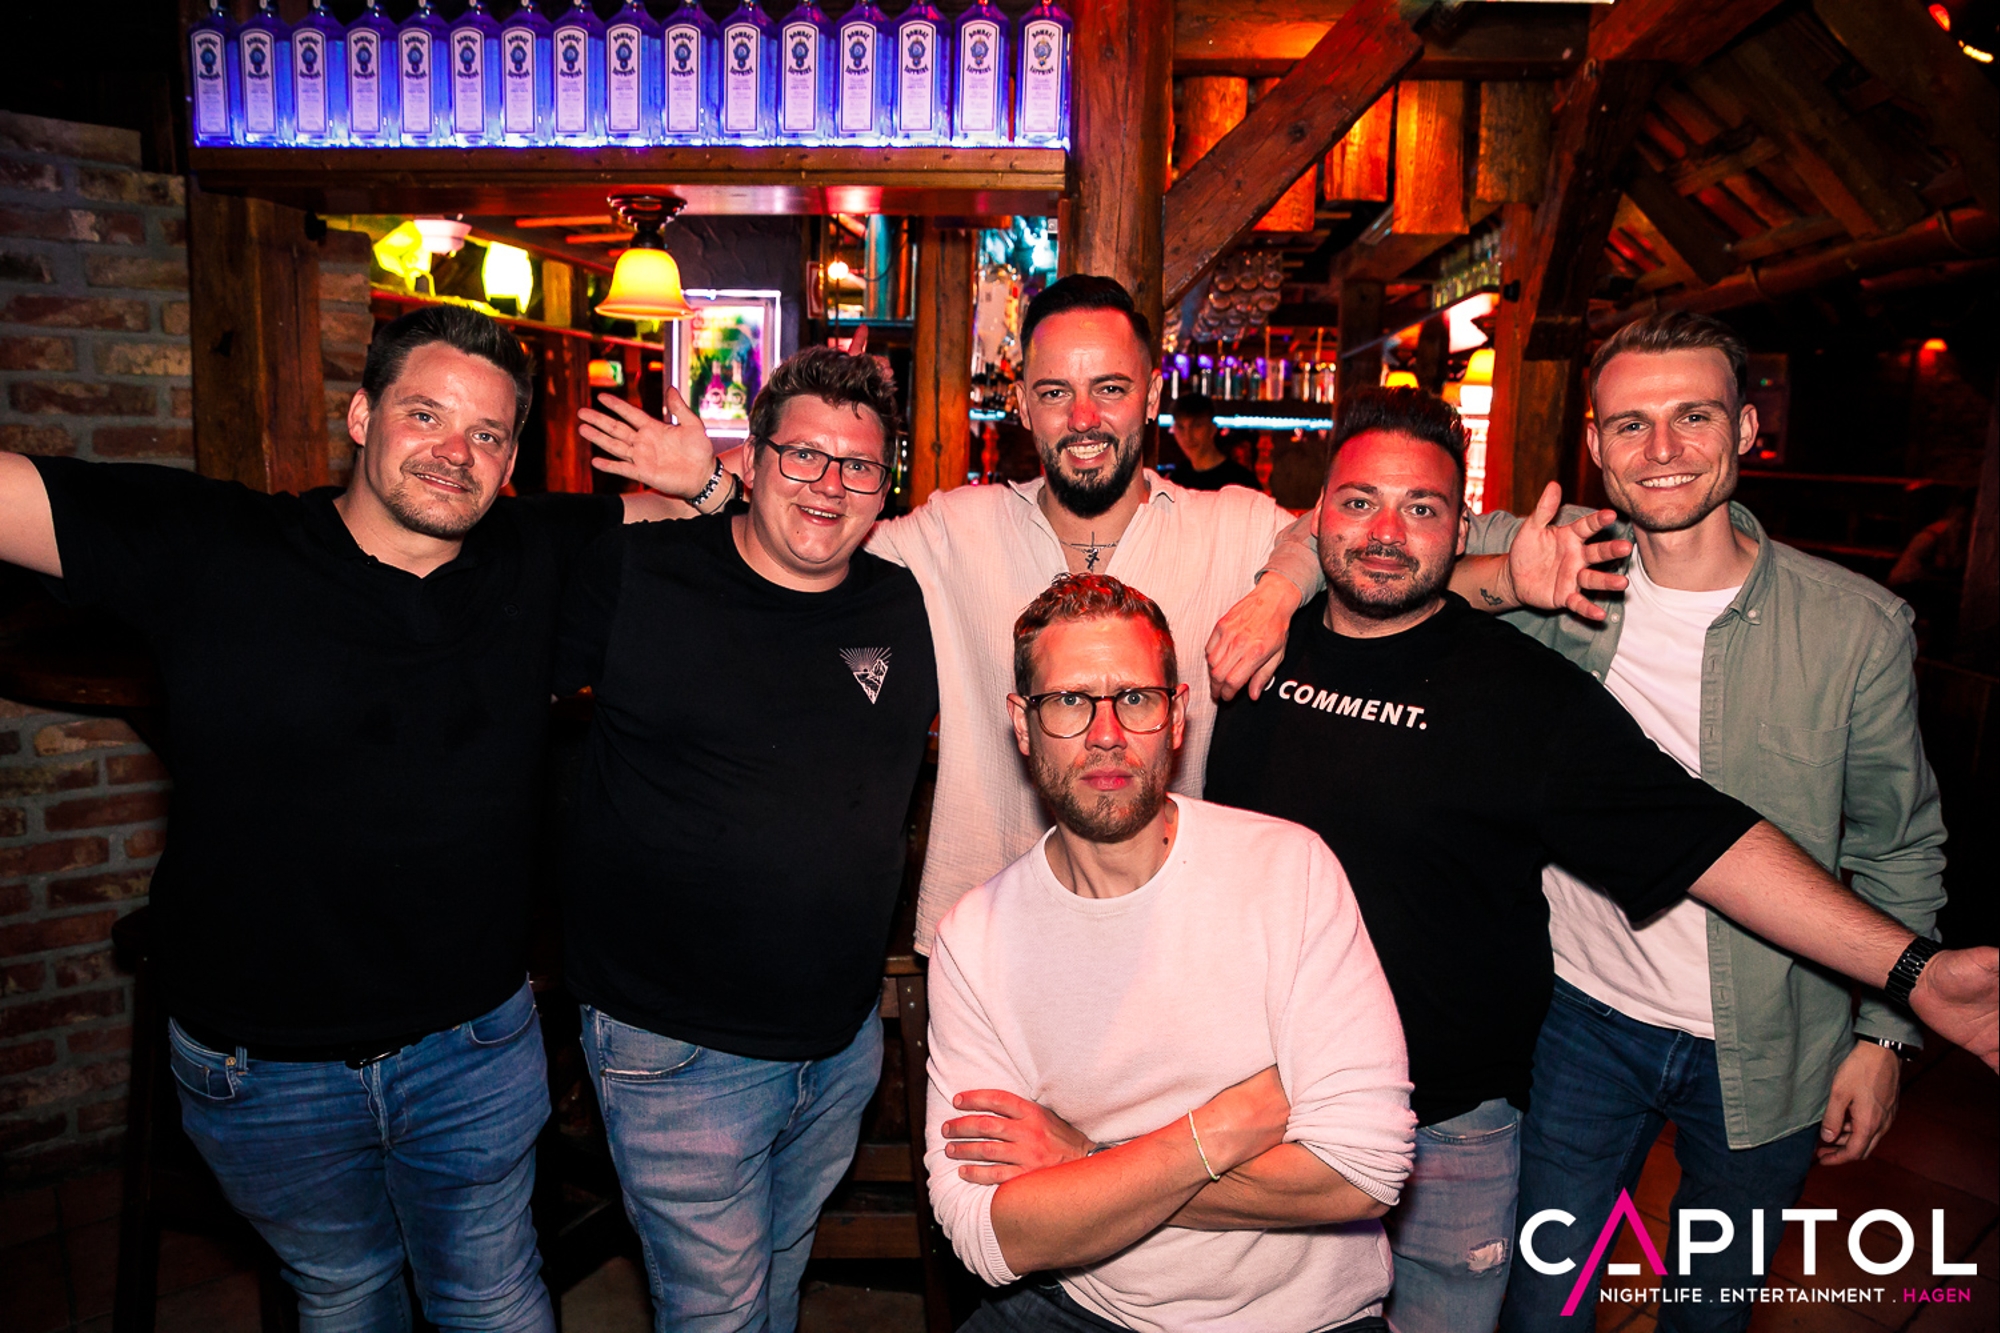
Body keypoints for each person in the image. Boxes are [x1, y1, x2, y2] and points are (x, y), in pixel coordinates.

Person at [1202, 387, 1999, 1333]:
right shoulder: (1254, 647)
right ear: (1318, 515)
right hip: (1266, 1097)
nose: (1385, 531)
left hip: (1446, 1132)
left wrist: (1913, 975)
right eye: (1359, 501)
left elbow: (1709, 841)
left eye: (1421, 507)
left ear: (1460, 527)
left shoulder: (1525, 693)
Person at [0, 306, 685, 1330]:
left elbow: (733, 529)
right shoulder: (221, 546)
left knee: (494, 1298)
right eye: (425, 414)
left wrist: (700, 478)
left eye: (487, 434)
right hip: (262, 1068)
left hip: (473, 1046)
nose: (454, 451)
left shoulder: (538, 553)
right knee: (342, 1293)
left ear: (509, 464)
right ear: (362, 416)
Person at [1447, 313, 1956, 1331]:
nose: (1662, 449)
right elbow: (1353, 547)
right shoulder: (1552, 555)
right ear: (1594, 445)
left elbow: (1897, 845)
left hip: (1771, 1038)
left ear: (1746, 428)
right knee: (1539, 1306)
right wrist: (1497, 578)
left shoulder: (1853, 628)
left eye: (1693, 416)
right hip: (1579, 1019)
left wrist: (1885, 1039)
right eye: (1629, 424)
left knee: (1707, 1314)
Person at [588, 274, 1320, 956]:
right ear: (1023, 403)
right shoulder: (954, 528)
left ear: (1152, 394)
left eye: (1110, 388)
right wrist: (710, 482)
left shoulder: (1233, 527)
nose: (1084, 417)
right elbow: (814, 532)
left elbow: (1340, 528)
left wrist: (1279, 591)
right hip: (990, 945)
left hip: (1171, 941)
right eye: (1056, 391)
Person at [554, 348, 938, 1333]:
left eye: (858, 466)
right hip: (677, 1047)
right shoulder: (640, 574)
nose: (828, 485)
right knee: (718, 1310)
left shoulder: (897, 604)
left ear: (884, 486)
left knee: (775, 1279)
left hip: (837, 1045)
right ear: (754, 458)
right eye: (802, 455)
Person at [924, 574, 1414, 1333]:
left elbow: (1362, 1174)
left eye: (1136, 698)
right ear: (1022, 724)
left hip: (1300, 1320)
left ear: (1177, 716)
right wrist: (1220, 1127)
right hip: (1083, 1306)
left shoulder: (1287, 870)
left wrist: (1085, 1160)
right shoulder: (975, 936)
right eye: (1070, 701)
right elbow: (988, 1233)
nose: (1107, 733)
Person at [1167, 392, 1260, 492]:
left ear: (1212, 429)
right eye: (1181, 427)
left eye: (1197, 426)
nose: (1187, 436)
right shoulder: (1175, 482)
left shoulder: (1241, 482)